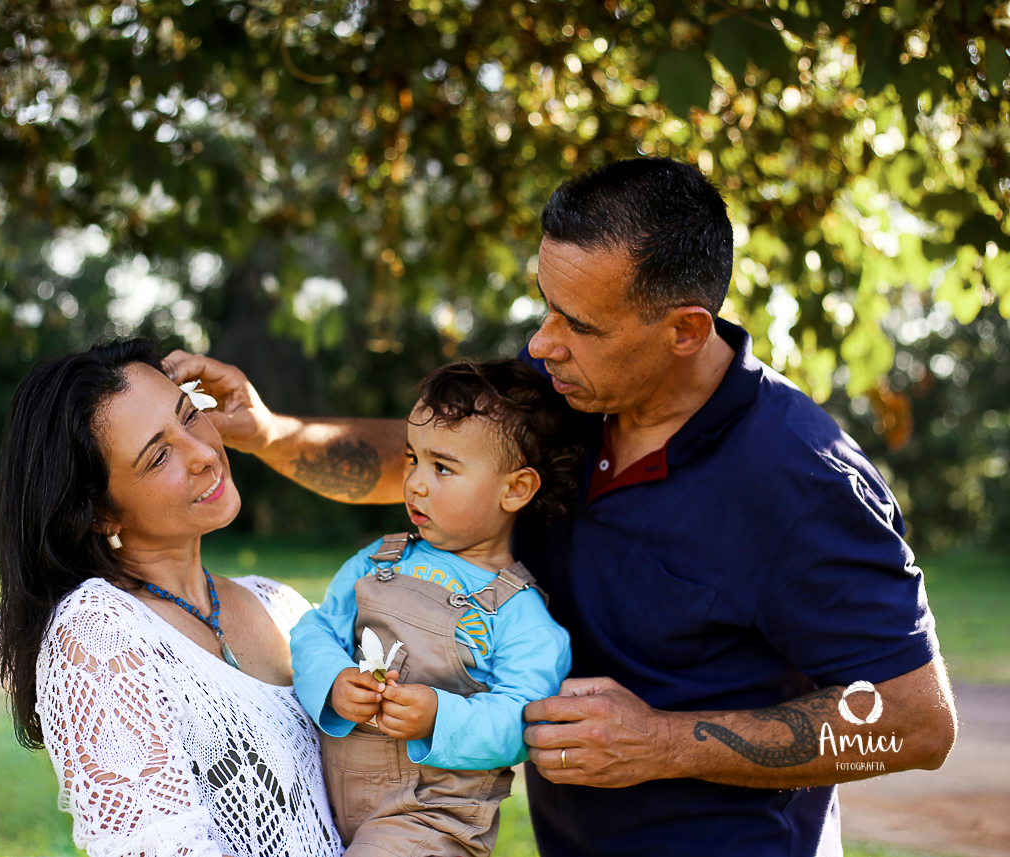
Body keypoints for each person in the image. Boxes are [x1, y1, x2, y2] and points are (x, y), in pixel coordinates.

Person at [164, 156, 959, 856]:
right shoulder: (568, 385)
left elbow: (917, 723)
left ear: (685, 329)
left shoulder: (802, 481)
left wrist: (664, 743)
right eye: (545, 304)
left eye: (577, 323)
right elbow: (446, 462)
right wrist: (269, 433)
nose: (543, 343)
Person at [0, 338, 342, 857]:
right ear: (100, 513)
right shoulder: (99, 635)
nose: (203, 452)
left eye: (191, 414)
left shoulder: (278, 604)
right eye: (158, 457)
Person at [289, 360, 577, 856]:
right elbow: (315, 629)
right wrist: (334, 679)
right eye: (412, 458)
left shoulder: (518, 612)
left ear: (516, 489)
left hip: (431, 820)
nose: (416, 483)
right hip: (327, 795)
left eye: (442, 467)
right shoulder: (380, 560)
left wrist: (439, 717)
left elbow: (526, 718)